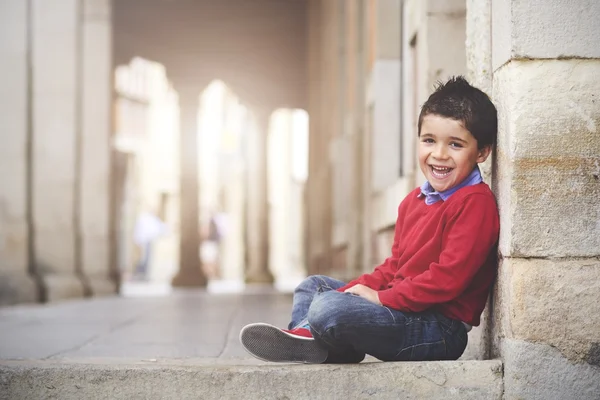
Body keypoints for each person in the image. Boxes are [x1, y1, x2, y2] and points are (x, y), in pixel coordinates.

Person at [239, 76, 500, 363]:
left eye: (455, 145)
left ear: (482, 152)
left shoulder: (475, 203)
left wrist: (380, 299)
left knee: (328, 309)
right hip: (402, 311)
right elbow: (394, 267)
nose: (439, 154)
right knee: (312, 287)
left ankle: (316, 336)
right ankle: (316, 342)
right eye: (429, 141)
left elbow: (447, 280)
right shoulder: (414, 201)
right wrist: (356, 290)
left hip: (438, 329)